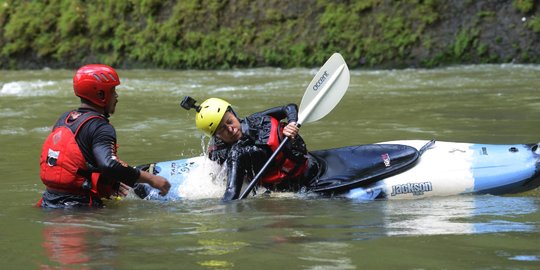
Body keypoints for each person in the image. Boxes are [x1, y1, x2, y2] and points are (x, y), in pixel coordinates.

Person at [38, 64, 171, 208]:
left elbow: (80, 159)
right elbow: (109, 164)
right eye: (113, 91)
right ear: (101, 95)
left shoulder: (65, 118)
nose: (116, 96)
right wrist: (151, 179)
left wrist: (112, 182)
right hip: (79, 207)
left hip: (49, 202)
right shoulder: (101, 127)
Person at [181, 96, 318, 201]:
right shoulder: (219, 150)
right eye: (223, 129)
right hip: (293, 172)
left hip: (297, 180)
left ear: (233, 114)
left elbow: (289, 107)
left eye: (229, 121)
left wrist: (292, 123)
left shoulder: (255, 124)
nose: (231, 129)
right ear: (216, 136)